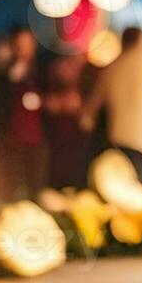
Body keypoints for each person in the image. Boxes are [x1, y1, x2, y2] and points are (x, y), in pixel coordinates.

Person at [83, 27, 142, 191]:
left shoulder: (117, 65)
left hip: (126, 138)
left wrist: (86, 119)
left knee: (132, 189)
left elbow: (96, 99)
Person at [5, 28, 47, 198]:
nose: (24, 48)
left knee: (35, 183)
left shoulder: (40, 69)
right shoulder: (10, 69)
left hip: (37, 134)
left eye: (28, 43)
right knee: (14, 181)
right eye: (20, 44)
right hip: (15, 134)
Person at [43, 54, 89, 190]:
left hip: (79, 136)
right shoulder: (54, 70)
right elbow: (47, 100)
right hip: (58, 135)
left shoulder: (90, 72)